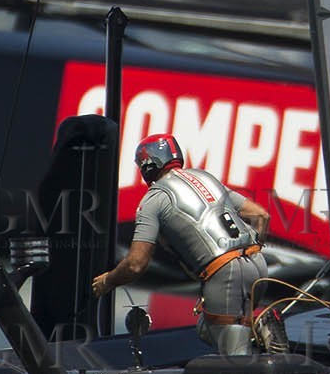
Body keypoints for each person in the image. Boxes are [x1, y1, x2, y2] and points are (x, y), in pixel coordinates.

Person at [91, 133, 272, 357]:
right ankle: (258, 328)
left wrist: (108, 281)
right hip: (258, 264)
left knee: (234, 360)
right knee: (206, 329)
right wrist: (250, 251)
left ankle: (258, 335)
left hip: (224, 274)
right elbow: (260, 215)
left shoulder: (154, 199)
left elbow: (136, 264)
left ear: (148, 164)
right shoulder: (205, 178)